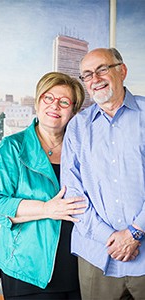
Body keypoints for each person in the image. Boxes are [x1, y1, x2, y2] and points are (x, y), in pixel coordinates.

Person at [0, 72, 86, 300]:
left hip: (81, 269)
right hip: (27, 270)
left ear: (74, 110)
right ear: (38, 102)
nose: (54, 106)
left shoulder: (83, 149)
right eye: (48, 98)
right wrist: (46, 209)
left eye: (64, 102)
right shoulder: (13, 147)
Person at [61, 47, 145, 300]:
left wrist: (135, 231)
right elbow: (72, 194)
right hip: (97, 256)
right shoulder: (77, 126)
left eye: (101, 69)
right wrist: (111, 238)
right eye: (87, 75)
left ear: (122, 70)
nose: (94, 79)